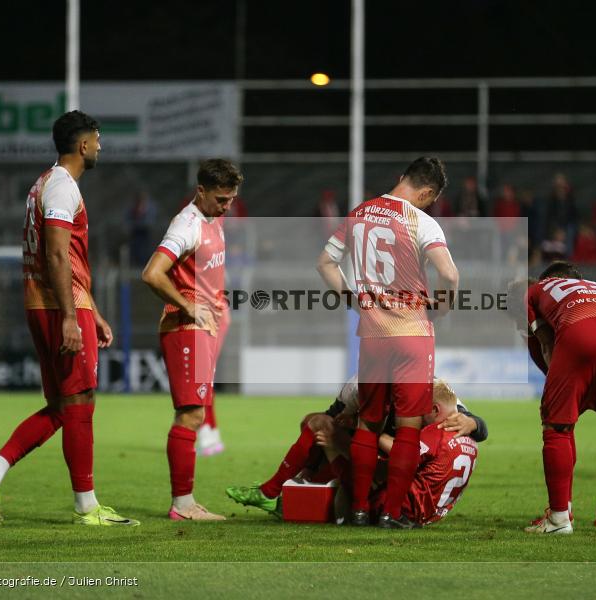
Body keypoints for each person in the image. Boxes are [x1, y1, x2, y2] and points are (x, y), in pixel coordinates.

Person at [0, 111, 139, 526]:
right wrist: (69, 317)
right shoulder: (62, 187)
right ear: (83, 145)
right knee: (79, 403)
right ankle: (87, 507)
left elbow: (69, 260)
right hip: (57, 307)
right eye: (97, 139)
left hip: (48, 303)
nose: (100, 146)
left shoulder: (44, 183)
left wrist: (92, 311)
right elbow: (57, 255)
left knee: (62, 406)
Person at [316, 156, 459, 529]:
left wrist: (354, 301)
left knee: (368, 422)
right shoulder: (421, 221)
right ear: (426, 193)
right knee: (408, 428)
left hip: (373, 333)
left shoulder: (359, 212)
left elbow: (324, 264)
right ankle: (392, 513)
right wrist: (440, 309)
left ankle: (360, 510)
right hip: (412, 335)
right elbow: (448, 272)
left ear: (401, 178)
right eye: (430, 199)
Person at [226, 376, 484, 526]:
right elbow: (319, 421)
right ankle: (290, 490)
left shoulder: (427, 392)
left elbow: (474, 426)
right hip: (405, 473)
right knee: (319, 425)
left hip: (398, 470)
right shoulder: (358, 387)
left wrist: (474, 422)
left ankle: (314, 500)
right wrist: (309, 466)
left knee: (337, 447)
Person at [141, 159, 243, 521]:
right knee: (190, 414)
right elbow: (152, 274)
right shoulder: (186, 225)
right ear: (200, 191)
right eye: (220, 199)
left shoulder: (213, 220)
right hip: (186, 330)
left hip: (205, 329)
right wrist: (187, 305)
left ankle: (187, 503)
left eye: (231, 198)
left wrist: (218, 304)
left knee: (197, 412)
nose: (226, 205)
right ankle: (182, 505)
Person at [510, 261, 596, 535]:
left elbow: (544, 343)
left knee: (557, 427)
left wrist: (545, 340)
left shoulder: (536, 289)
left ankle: (559, 519)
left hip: (578, 331)